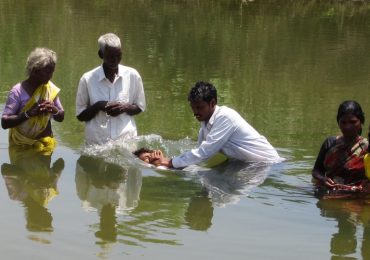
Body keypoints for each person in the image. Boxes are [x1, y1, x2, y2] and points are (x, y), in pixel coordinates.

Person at [156, 81, 282, 168]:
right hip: (244, 163)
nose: (195, 112)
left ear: (212, 103)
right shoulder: (205, 123)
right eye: (193, 108)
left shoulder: (225, 117)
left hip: (268, 164)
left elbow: (204, 152)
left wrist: (171, 162)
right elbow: (199, 154)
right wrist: (169, 161)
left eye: (199, 107)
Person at [76, 33, 146, 145]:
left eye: (119, 55)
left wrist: (124, 107)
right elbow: (80, 116)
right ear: (101, 54)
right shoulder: (87, 79)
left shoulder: (133, 75)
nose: (115, 60)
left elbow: (140, 107)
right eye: (111, 56)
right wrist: (99, 105)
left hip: (126, 140)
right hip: (97, 143)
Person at [1, 47, 64, 153]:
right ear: (35, 70)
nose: (51, 76)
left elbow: (61, 117)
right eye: (47, 72)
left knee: (43, 169)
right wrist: (29, 113)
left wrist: (53, 109)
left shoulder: (50, 89)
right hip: (22, 148)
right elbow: (4, 122)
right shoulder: (17, 92)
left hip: (45, 147)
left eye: (52, 72)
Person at [312, 100, 369, 193]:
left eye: (353, 122)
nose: (348, 127)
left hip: (355, 196)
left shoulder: (366, 147)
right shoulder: (330, 143)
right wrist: (323, 179)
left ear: (361, 122)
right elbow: (316, 171)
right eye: (343, 122)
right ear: (338, 122)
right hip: (328, 191)